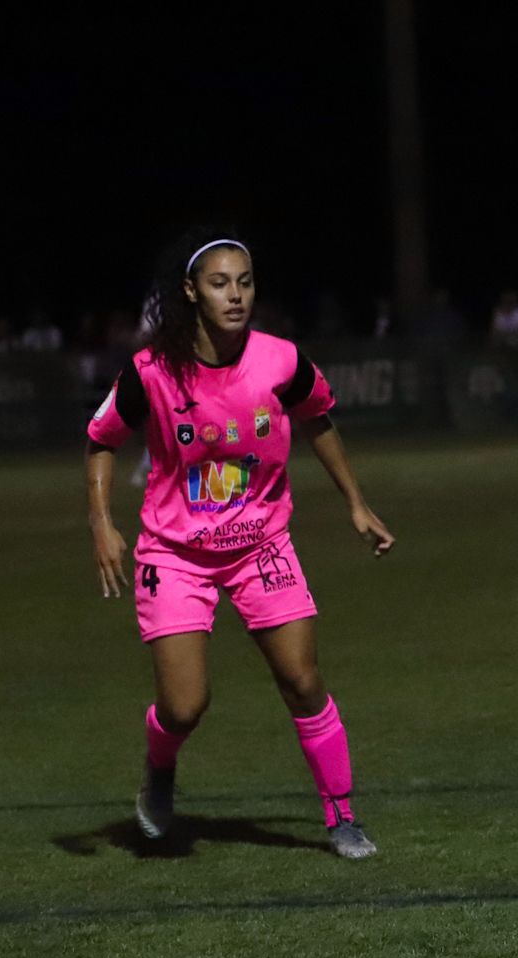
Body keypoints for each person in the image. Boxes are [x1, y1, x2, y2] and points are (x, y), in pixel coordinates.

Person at [85, 229, 394, 858]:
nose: (236, 296)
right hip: (175, 555)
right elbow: (102, 438)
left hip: (262, 546)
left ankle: (341, 817)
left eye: (245, 282)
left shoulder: (281, 360)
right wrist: (101, 521)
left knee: (303, 680)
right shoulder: (152, 372)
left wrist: (356, 503)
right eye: (221, 283)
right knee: (183, 706)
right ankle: (160, 770)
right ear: (191, 292)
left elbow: (317, 420)